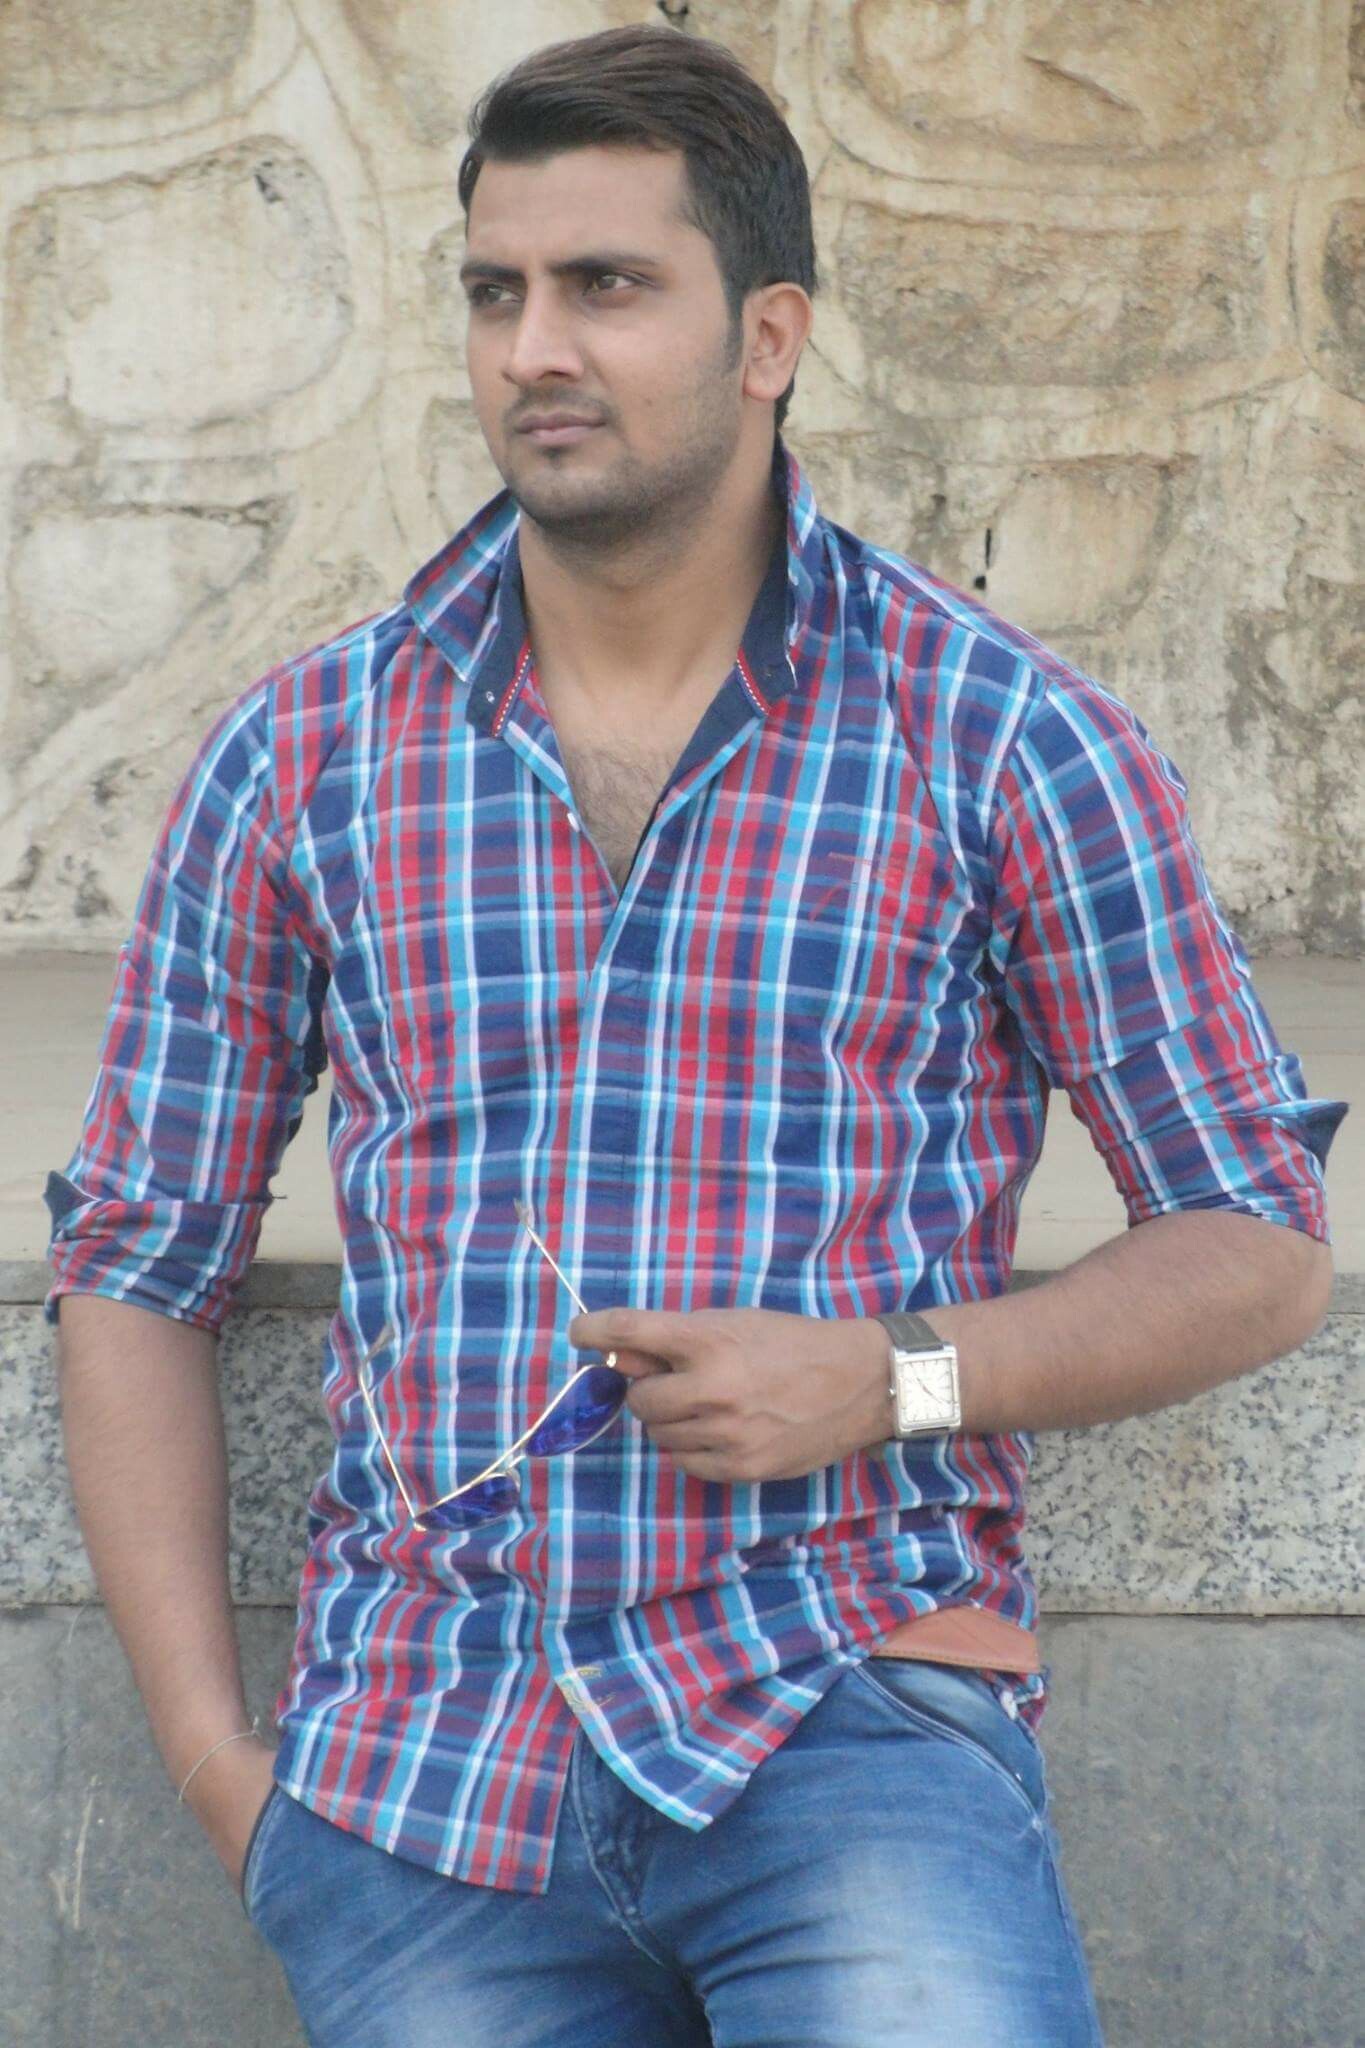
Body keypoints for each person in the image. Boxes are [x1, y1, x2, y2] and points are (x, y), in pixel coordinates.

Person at [46, 24, 1346, 2048]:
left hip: (842, 1710)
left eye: (605, 286)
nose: (534, 349)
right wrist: (231, 1778)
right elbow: (136, 1259)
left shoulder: (1001, 737)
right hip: (423, 1768)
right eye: (495, 291)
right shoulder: (301, 757)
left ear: (767, 336)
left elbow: (1253, 1237)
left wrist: (890, 1377)